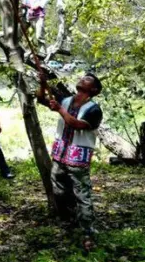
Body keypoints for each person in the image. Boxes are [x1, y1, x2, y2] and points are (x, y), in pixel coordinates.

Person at [44, 73, 104, 251]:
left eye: (87, 79)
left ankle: (88, 232)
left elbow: (76, 124)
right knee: (59, 188)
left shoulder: (94, 110)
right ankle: (69, 221)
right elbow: (42, 97)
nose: (82, 79)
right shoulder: (66, 100)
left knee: (82, 195)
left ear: (93, 90)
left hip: (77, 158)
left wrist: (59, 110)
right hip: (60, 154)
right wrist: (42, 83)